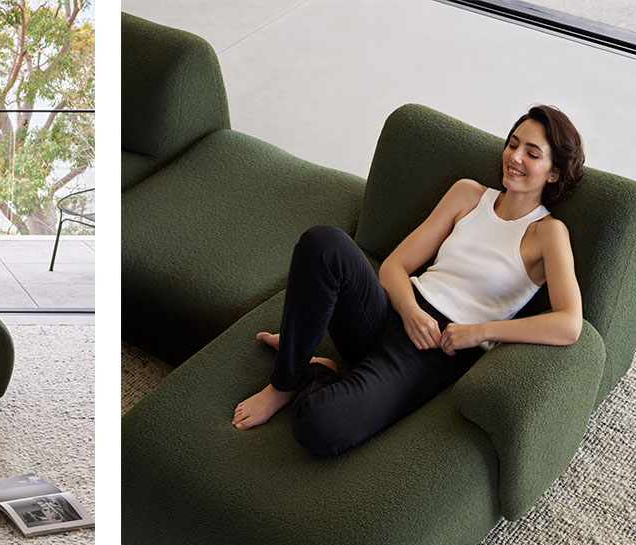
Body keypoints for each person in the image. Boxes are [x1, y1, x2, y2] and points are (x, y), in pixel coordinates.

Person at [231, 105, 586, 457]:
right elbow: (394, 266)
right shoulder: (468, 195)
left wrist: (479, 332)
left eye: (532, 153)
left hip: (437, 351)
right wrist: (411, 311)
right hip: (397, 308)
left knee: (318, 425)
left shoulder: (548, 234)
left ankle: (316, 371)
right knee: (324, 243)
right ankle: (284, 382)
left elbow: (568, 324)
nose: (515, 157)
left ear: (554, 173)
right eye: (513, 144)